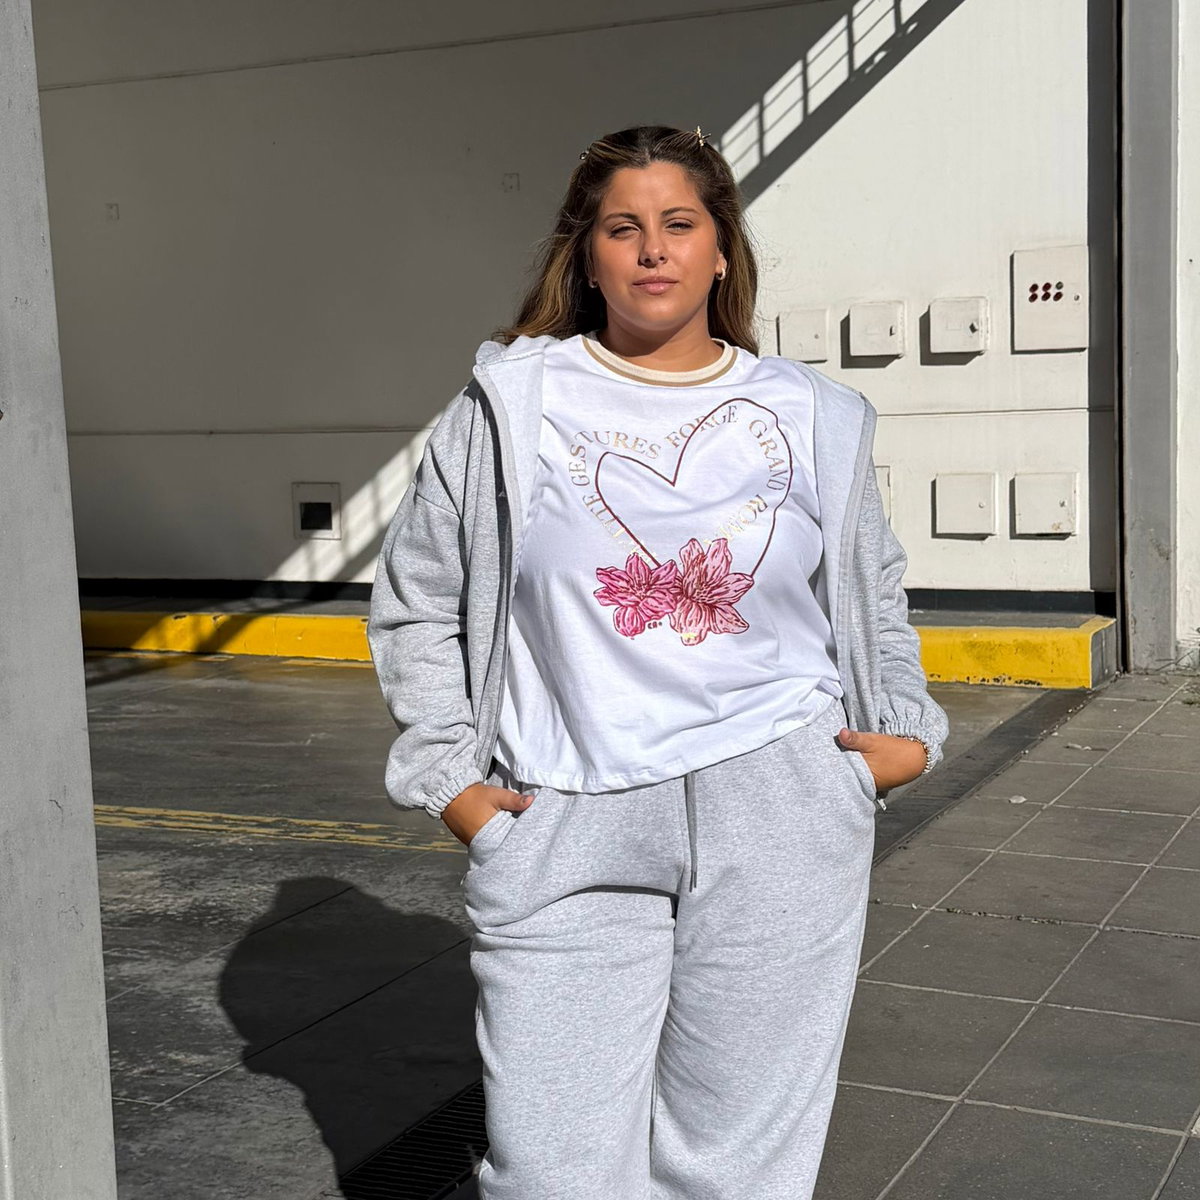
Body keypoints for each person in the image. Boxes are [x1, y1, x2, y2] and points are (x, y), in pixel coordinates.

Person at [368, 124, 949, 1200]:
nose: (651, 249)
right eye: (621, 228)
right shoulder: (509, 407)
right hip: (565, 812)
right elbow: (419, 598)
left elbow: (870, 588)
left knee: (738, 1162)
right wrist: (451, 783)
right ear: (584, 256)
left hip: (781, 801)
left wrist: (902, 738)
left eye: (679, 224)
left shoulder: (814, 414)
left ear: (721, 250)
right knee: (551, 1168)